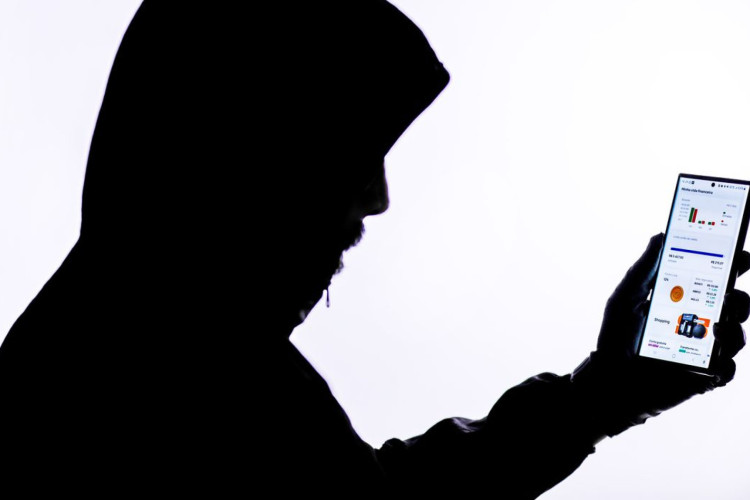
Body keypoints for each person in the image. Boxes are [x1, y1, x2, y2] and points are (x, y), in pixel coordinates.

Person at [2, 1, 748, 496]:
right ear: (252, 155)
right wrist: (596, 400)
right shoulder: (206, 388)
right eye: (351, 155)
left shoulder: (130, 348)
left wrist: (599, 396)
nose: (379, 197)